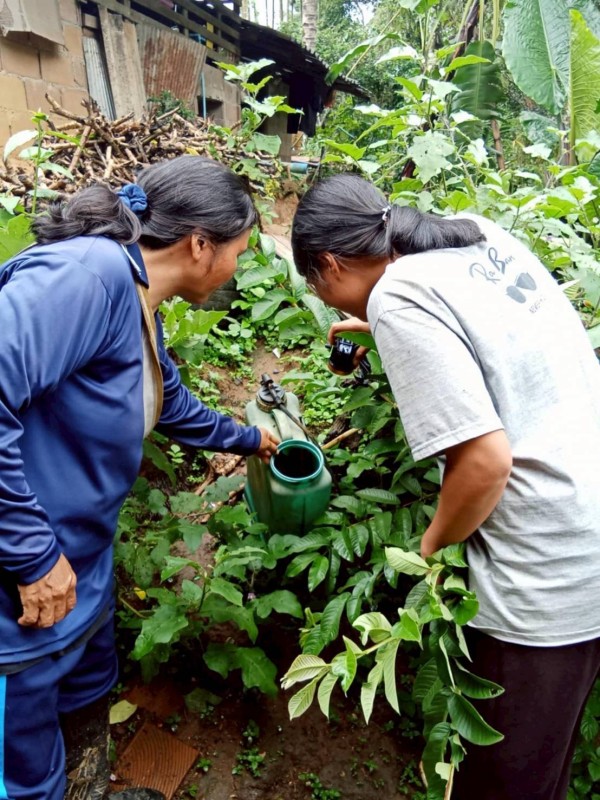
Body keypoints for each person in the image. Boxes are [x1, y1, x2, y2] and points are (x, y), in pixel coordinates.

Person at [291, 173, 600, 800]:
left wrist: (430, 547)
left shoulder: (398, 297)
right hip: (587, 522)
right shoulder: (473, 235)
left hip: (546, 576)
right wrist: (384, 329)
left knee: (506, 782)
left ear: (330, 263)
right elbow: (498, 335)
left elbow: (485, 464)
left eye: (318, 287)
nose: (329, 302)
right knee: (547, 765)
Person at [0, 155, 279, 800]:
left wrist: (247, 439)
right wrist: (31, 554)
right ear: (200, 245)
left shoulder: (137, 293)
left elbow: (165, 399)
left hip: (82, 569)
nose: (238, 269)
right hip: (24, 587)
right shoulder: (86, 278)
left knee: (85, 703)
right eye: (238, 252)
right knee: (23, 769)